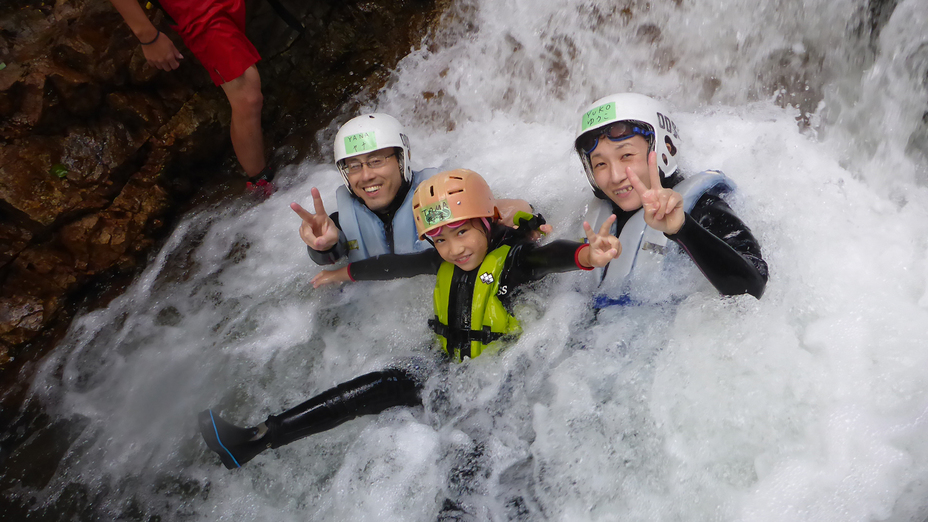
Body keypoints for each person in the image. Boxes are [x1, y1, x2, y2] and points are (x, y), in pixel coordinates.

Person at [199, 169, 619, 469]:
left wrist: (587, 254)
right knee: (365, 391)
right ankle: (256, 439)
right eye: (440, 239)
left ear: (487, 222)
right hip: (446, 368)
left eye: (462, 233)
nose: (453, 249)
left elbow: (553, 256)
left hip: (497, 383)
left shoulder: (515, 261)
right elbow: (393, 265)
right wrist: (342, 271)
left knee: (470, 469)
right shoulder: (442, 259)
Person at [573, 93, 768, 307]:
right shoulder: (592, 217)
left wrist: (683, 229)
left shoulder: (704, 208)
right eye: (600, 164)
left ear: (664, 149)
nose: (615, 176)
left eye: (626, 156)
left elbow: (753, 289)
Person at [291, 114, 550, 265]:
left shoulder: (438, 195)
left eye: (376, 161)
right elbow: (332, 255)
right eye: (354, 166)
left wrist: (521, 220)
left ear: (401, 160)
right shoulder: (341, 221)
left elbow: (498, 212)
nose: (366, 175)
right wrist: (323, 247)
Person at [107, 0, 274, 194]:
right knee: (247, 97)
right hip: (196, 10)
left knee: (247, 95)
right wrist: (148, 36)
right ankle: (261, 186)